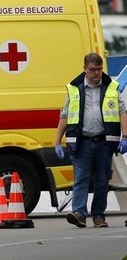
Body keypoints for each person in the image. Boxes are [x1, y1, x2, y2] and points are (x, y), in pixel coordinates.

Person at [55, 52, 127, 228]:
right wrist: (57, 140)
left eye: (99, 69)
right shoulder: (74, 88)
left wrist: (125, 136)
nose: (97, 73)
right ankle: (79, 213)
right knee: (81, 178)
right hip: (82, 141)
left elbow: (122, 111)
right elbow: (64, 115)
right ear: (84, 69)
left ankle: (98, 216)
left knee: (102, 180)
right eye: (93, 70)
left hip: (104, 141)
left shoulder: (111, 87)